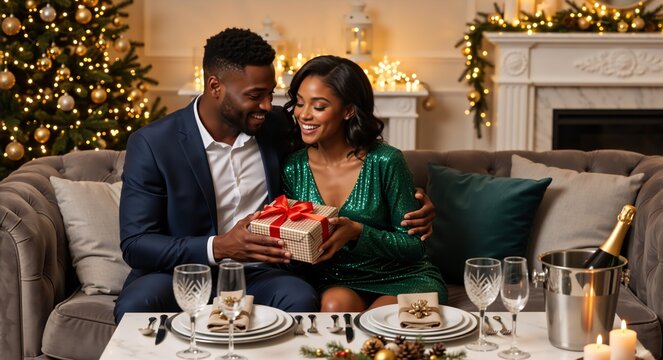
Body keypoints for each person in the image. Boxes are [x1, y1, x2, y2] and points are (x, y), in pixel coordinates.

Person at [114, 28, 433, 322]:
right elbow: (137, 244)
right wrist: (219, 247)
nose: (268, 106)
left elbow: (341, 152)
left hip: (262, 272)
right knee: (134, 306)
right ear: (215, 87)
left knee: (301, 299)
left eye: (271, 93)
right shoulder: (154, 143)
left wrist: (413, 198)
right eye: (255, 95)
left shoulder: (278, 127)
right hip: (182, 271)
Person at [282, 55, 447, 312]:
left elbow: (415, 245)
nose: (304, 115)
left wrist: (358, 232)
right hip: (339, 280)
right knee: (333, 306)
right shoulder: (293, 167)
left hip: (403, 277)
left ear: (348, 110)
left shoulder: (385, 160)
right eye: (300, 103)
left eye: (319, 106)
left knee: (382, 318)